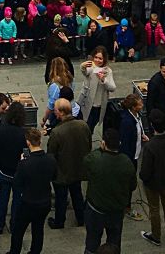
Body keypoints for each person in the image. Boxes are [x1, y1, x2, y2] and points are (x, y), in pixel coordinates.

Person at [80, 126, 136, 254]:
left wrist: (101, 149)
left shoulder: (95, 159)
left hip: (95, 210)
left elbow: (85, 162)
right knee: (114, 243)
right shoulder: (127, 162)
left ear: (103, 143)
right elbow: (132, 186)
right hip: (116, 211)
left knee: (92, 243)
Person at [138, 107, 165, 245]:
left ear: (152, 125)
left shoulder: (150, 146)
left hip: (153, 183)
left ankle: (156, 236)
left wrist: (143, 178)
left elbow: (145, 171)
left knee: (154, 208)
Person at [10, 126, 57, 254]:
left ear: (28, 143)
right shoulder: (51, 159)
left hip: (28, 202)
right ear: (40, 141)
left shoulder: (24, 163)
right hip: (44, 202)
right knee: (38, 229)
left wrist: (21, 163)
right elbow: (54, 176)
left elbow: (17, 183)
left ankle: (14, 252)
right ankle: (35, 251)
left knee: (18, 230)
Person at [47, 96, 91, 230]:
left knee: (61, 199)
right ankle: (81, 218)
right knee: (77, 194)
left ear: (61, 112)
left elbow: (51, 155)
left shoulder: (56, 132)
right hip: (78, 169)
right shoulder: (83, 125)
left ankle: (59, 222)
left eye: (55, 110)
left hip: (62, 172)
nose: (53, 112)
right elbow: (88, 145)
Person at [0, 101, 28, 235]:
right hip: (17, 172)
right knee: (17, 201)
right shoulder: (23, 134)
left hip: (3, 169)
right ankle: (14, 224)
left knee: (3, 198)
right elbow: (26, 154)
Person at [78, 47, 116, 133]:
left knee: (90, 127)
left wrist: (103, 80)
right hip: (86, 103)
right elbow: (84, 71)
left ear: (104, 59)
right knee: (84, 127)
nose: (97, 60)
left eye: (100, 58)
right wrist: (82, 66)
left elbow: (112, 88)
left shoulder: (108, 71)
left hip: (98, 106)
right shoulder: (91, 67)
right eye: (96, 57)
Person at [144, 58, 165, 131]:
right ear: (160, 69)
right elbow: (150, 102)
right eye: (164, 72)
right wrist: (152, 118)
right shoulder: (155, 82)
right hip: (158, 113)